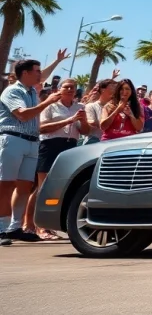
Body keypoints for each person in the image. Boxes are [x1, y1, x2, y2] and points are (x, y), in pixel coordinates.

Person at [0, 59, 63, 245]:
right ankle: (2, 228)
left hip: (31, 142)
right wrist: (48, 102)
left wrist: (57, 61)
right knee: (6, 184)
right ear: (25, 73)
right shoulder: (13, 91)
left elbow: (44, 76)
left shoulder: (31, 90)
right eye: (36, 71)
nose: (40, 74)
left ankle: (15, 227)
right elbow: (22, 114)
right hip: (13, 139)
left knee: (25, 186)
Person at [35, 78, 89, 239]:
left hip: (70, 145)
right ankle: (38, 227)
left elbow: (85, 131)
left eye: (73, 87)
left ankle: (51, 226)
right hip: (50, 145)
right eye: (67, 87)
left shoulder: (80, 107)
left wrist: (83, 120)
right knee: (42, 187)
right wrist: (67, 121)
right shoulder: (50, 106)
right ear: (59, 89)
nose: (71, 90)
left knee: (61, 187)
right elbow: (41, 128)